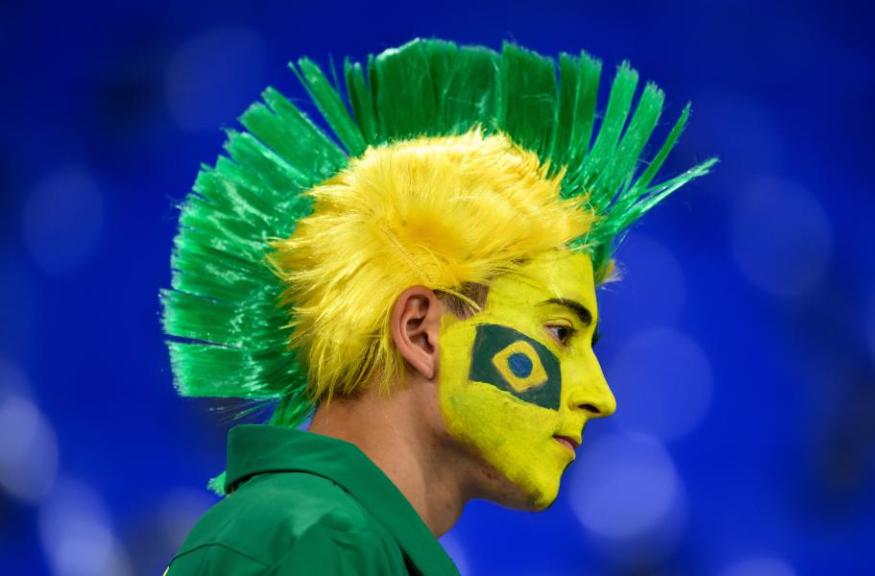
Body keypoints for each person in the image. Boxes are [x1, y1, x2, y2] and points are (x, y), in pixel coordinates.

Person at [161, 38, 714, 575]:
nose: (602, 397)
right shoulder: (323, 540)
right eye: (560, 333)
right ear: (421, 331)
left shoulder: (322, 534)